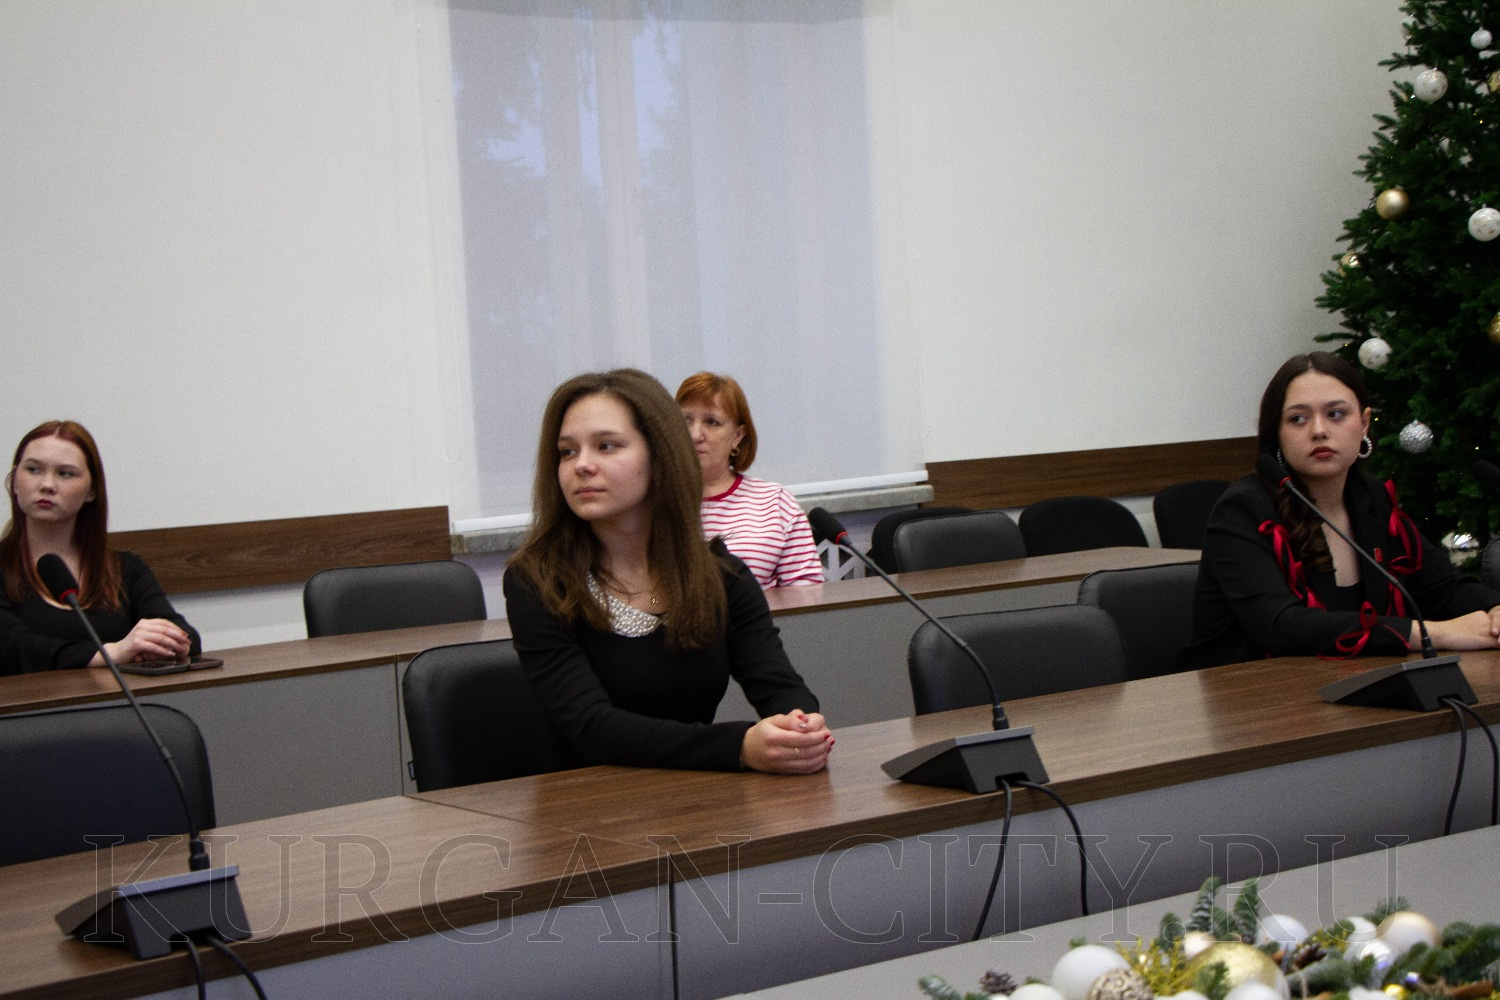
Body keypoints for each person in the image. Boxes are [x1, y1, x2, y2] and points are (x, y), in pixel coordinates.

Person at [504, 369, 834, 773]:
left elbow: (778, 683)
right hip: (586, 801)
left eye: (606, 446)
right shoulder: (537, 581)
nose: (582, 465)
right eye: (567, 451)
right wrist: (739, 747)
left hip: (699, 793)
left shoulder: (722, 576)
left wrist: (799, 725)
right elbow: (593, 729)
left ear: (661, 456)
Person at [1181, 352, 1500, 670]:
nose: (1319, 430)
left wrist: (1495, 609)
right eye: (1298, 419)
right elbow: (1281, 626)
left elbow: (1441, 587)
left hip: (1351, 681)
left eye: (1336, 414)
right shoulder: (1242, 510)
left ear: (1364, 423)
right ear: (1276, 431)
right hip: (1250, 692)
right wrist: (1434, 633)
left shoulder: (1371, 497)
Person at [0, 420, 200, 675]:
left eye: (65, 473)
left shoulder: (125, 569)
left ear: (92, 490)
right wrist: (112, 652)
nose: (47, 484)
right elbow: (12, 648)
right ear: (15, 480)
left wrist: (165, 643)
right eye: (33, 470)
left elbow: (185, 635)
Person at [674, 372, 824, 589]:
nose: (695, 434)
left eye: (712, 422)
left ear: (738, 436)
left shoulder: (775, 502)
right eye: (685, 420)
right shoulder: (654, 502)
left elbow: (808, 592)